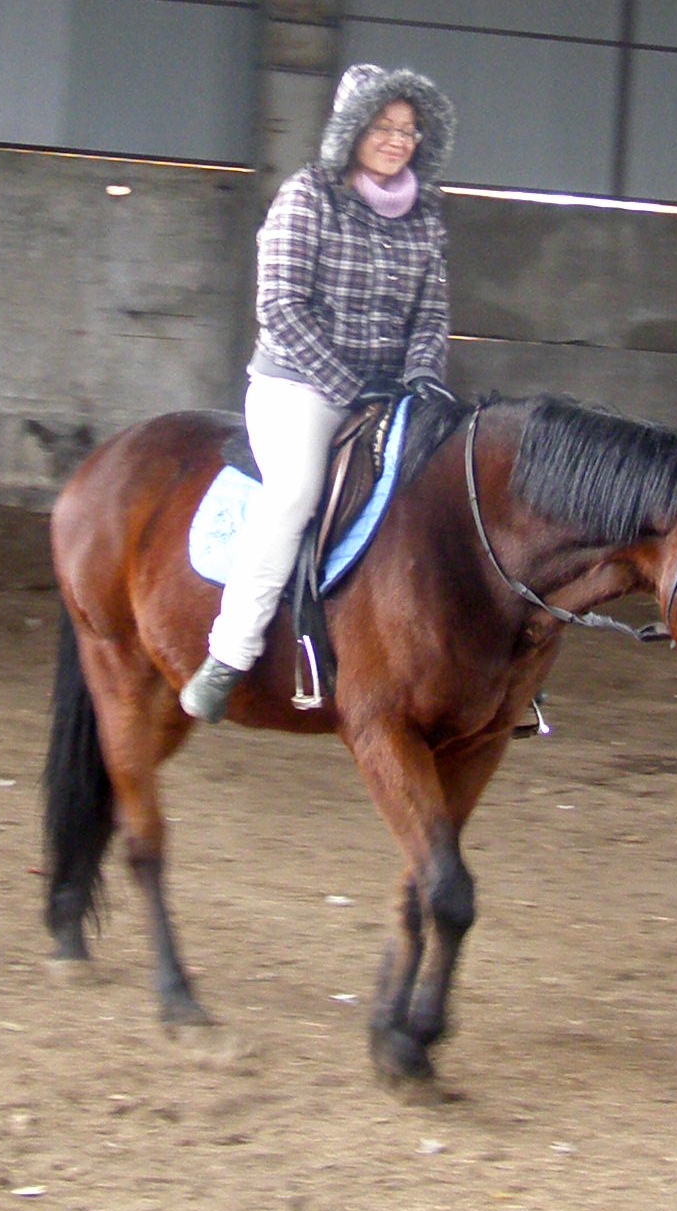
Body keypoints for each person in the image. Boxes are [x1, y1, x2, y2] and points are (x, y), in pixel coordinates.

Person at [179, 63, 456, 723]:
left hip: (392, 390)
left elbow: (432, 314)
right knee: (295, 494)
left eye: (408, 129)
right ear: (352, 130)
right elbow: (280, 306)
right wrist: (349, 386)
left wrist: (423, 376)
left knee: (451, 487)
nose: (397, 139)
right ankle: (230, 652)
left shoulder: (426, 212)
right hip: (300, 385)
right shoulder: (307, 195)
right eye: (383, 126)